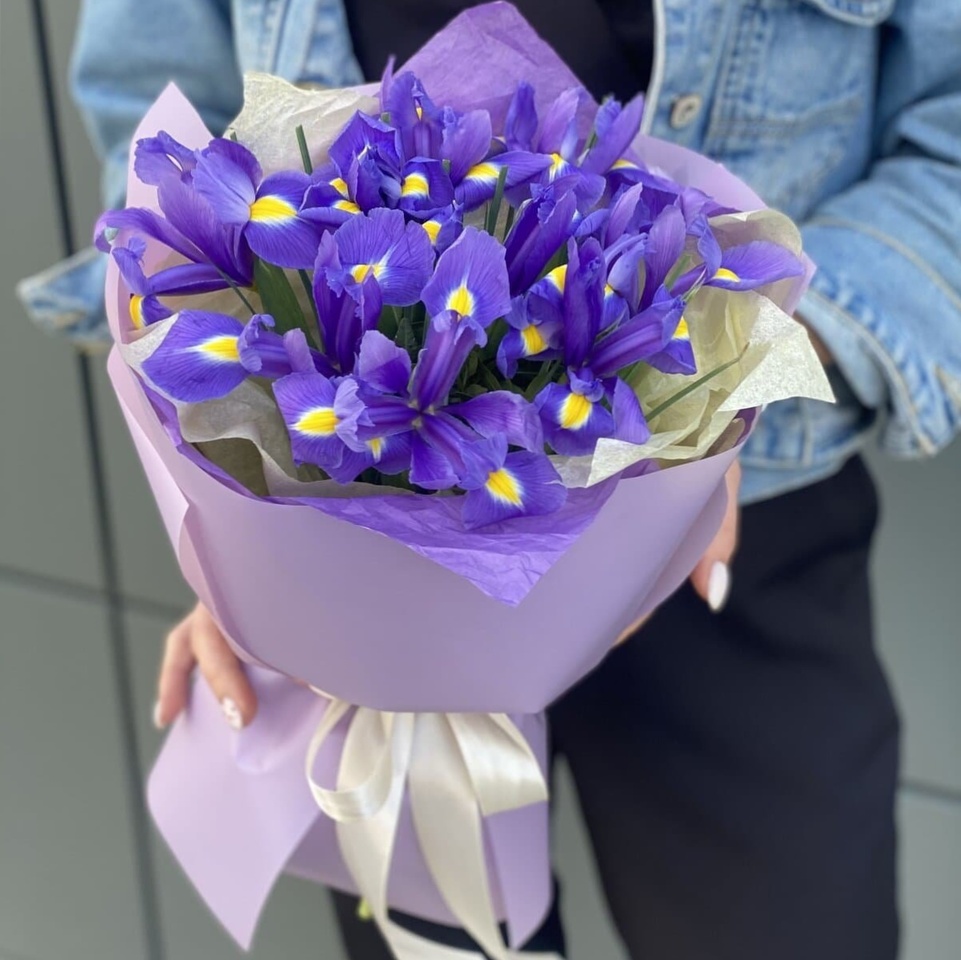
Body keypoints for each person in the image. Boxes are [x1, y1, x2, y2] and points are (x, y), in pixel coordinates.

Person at [20, 1, 961, 958]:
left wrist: (720, 398)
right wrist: (244, 544)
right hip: (368, 581)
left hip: (723, 543)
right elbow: (163, 123)